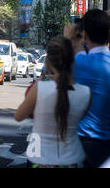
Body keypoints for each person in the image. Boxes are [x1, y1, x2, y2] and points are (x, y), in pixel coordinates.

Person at [14, 35, 91, 168]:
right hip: (71, 158)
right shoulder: (86, 93)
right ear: (72, 60)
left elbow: (19, 116)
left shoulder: (39, 88)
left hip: (39, 158)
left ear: (48, 61)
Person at [64, 9, 110, 167]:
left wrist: (67, 39)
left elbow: (52, 72)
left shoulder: (79, 63)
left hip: (82, 143)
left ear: (84, 35)